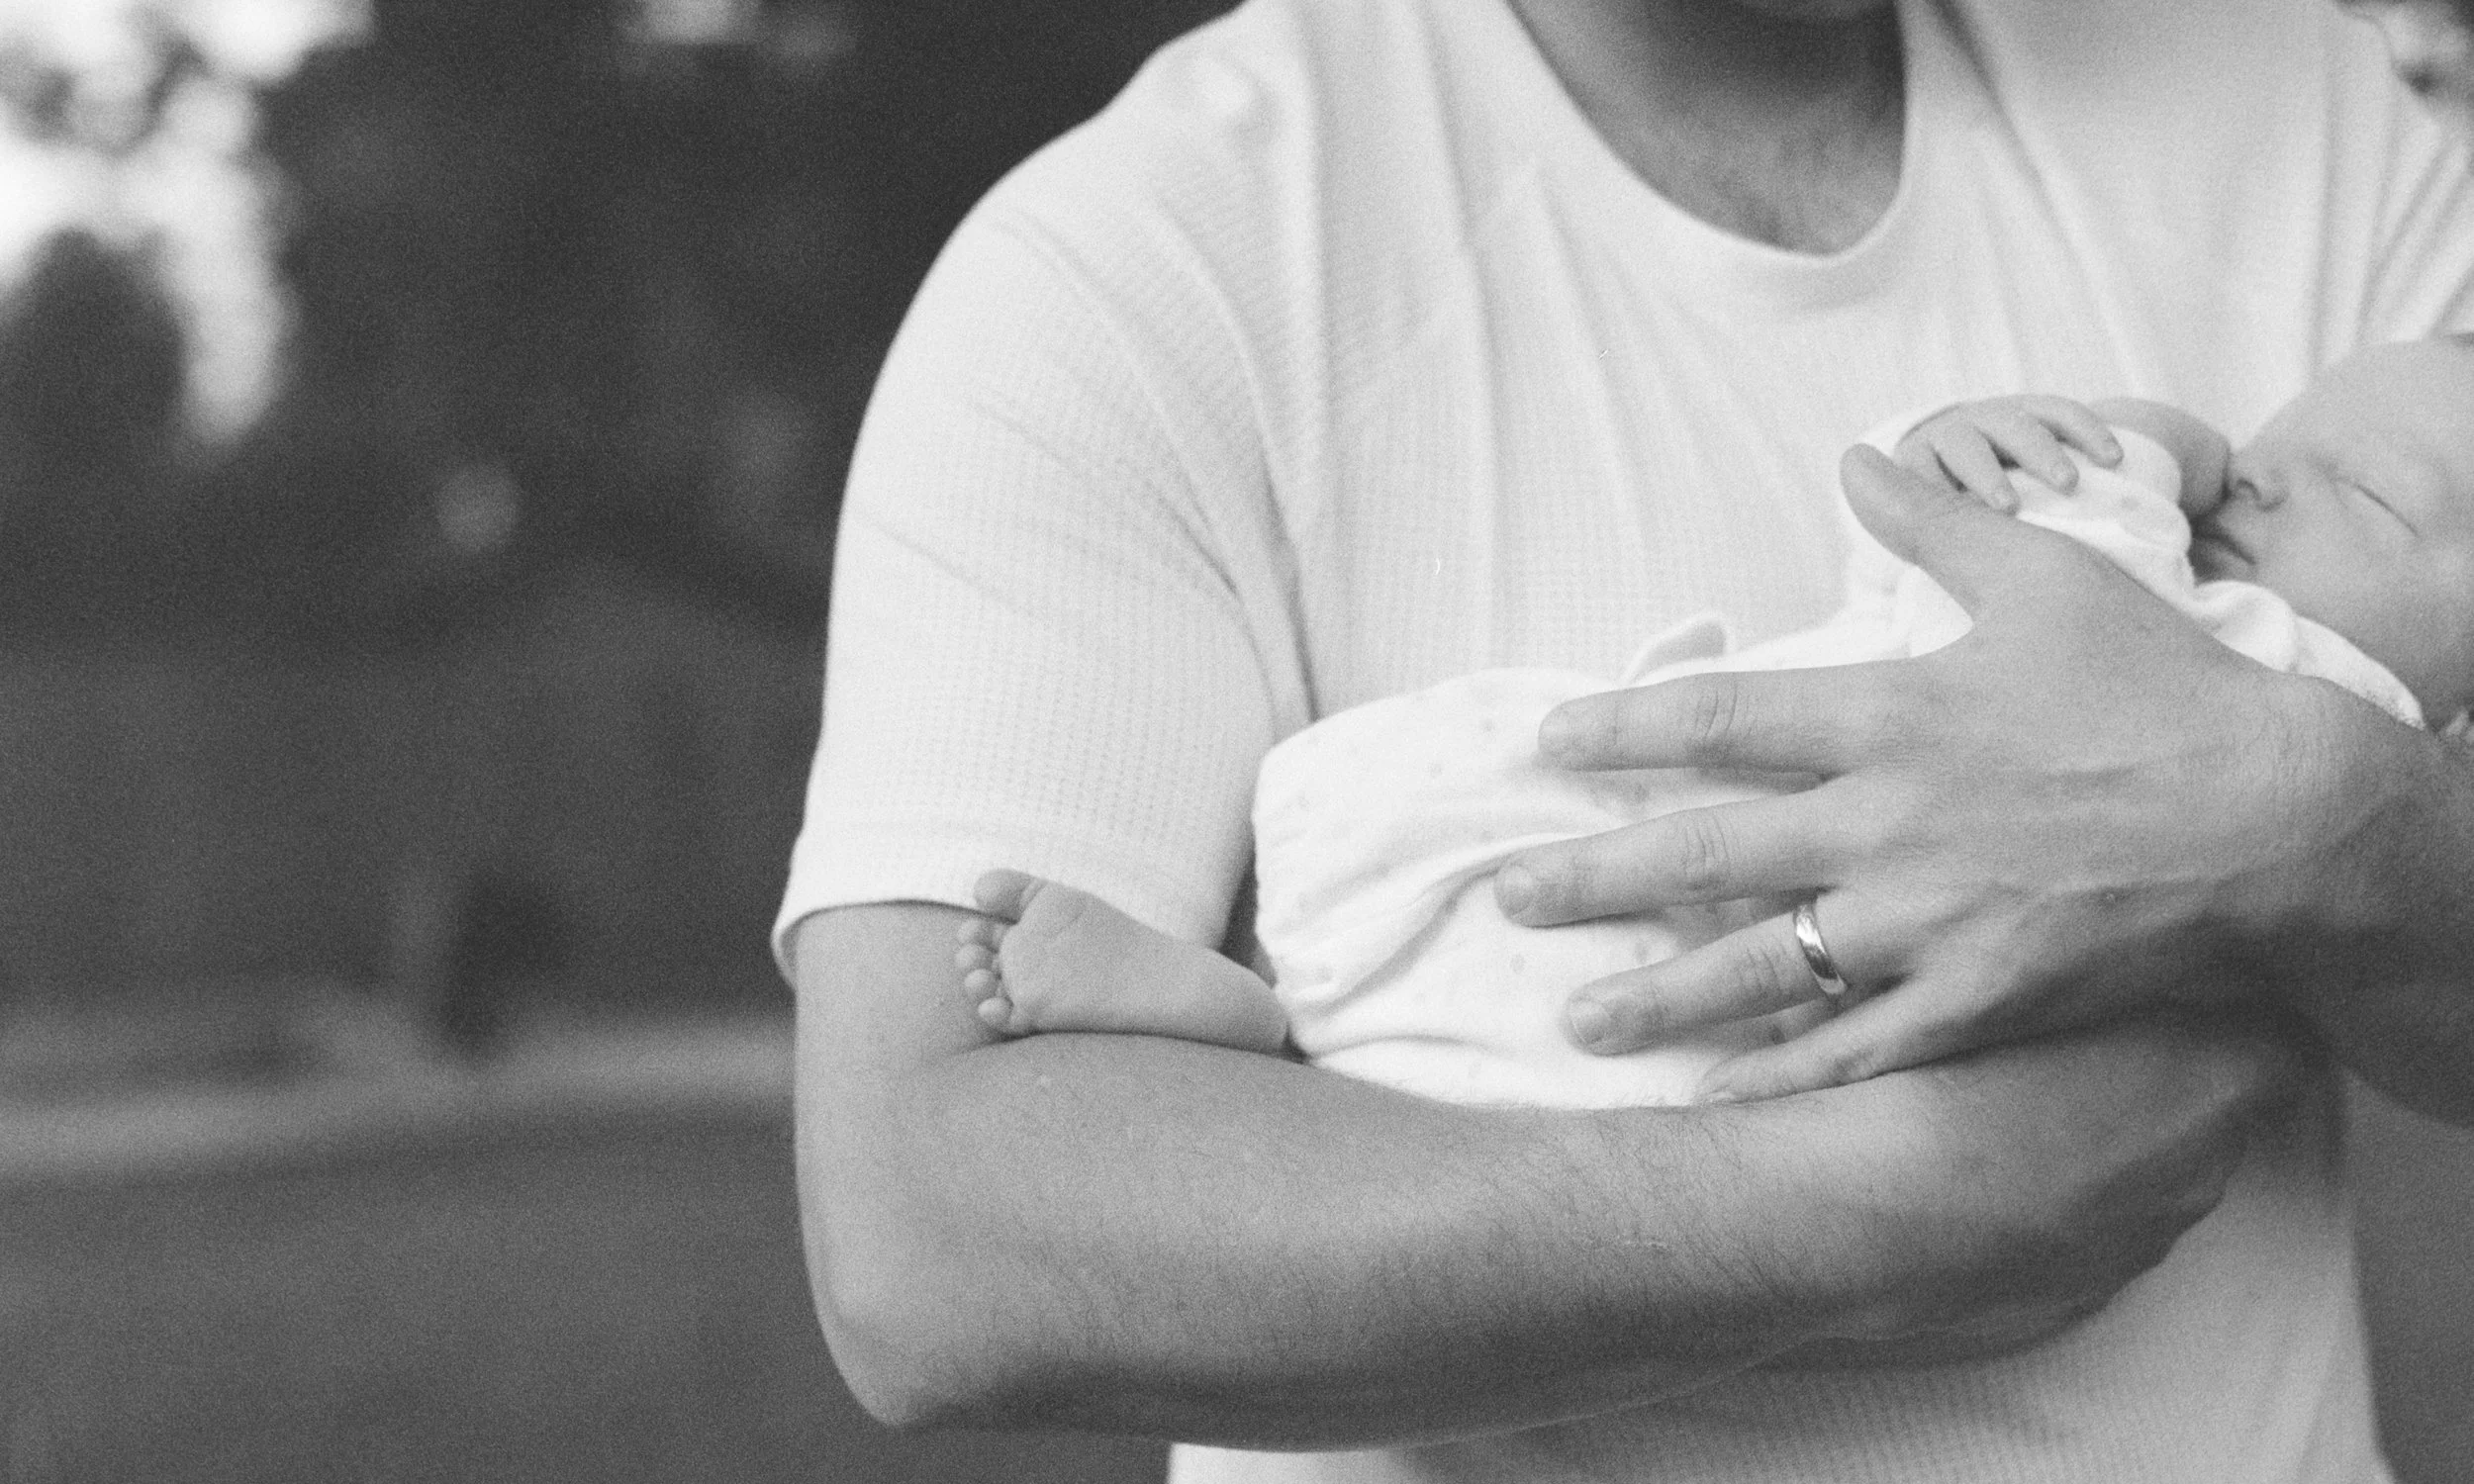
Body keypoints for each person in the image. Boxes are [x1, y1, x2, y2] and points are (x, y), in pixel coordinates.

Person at [780, 0, 2474, 1484]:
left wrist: (2316, 827)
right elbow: (930, 1234)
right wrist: (1860, 1217)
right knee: (1512, 878)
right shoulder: (1155, 257)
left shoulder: (2322, 115)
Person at [948, 348, 2474, 1100]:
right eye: (2274, 438)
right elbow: (1925, 525)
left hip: (1744, 940)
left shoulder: (2291, 685)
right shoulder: (2184, 598)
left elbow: (2095, 515)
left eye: (2368, 494)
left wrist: (2149, 445)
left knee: (1543, 1022)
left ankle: (1258, 1026)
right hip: (1694, 819)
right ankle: (1244, 993)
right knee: (1469, 846)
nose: (2259, 475)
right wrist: (1977, 444)